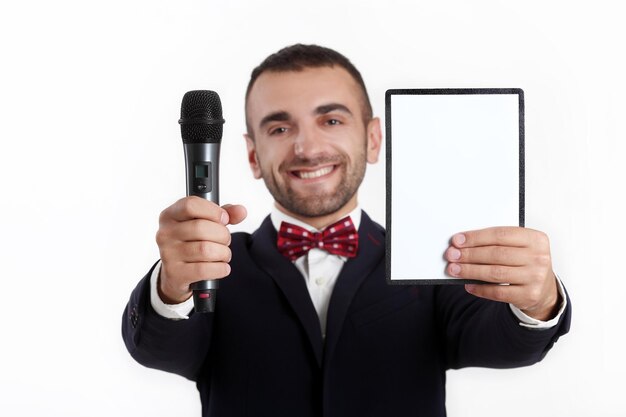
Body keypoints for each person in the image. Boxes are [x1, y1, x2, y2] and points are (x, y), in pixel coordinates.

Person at [122, 44, 570, 417]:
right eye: (279, 127)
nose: (308, 147)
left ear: (373, 139)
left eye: (331, 120)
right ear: (253, 155)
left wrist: (538, 300)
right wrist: (172, 285)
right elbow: (158, 350)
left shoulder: (433, 253)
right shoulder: (215, 269)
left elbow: (507, 346)